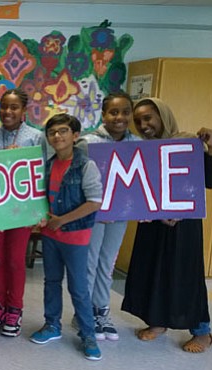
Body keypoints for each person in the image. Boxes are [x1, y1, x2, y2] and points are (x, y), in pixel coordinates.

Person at [122, 98, 212, 353]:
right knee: (153, 270)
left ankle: (202, 330)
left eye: (148, 118)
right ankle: (158, 321)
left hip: (184, 223)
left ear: (163, 116)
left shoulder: (188, 143)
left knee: (186, 274)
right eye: (138, 121)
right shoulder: (142, 150)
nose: (143, 124)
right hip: (153, 221)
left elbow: (210, 179)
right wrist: (156, 212)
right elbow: (136, 188)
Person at [29, 113, 103, 361]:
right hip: (51, 236)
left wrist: (62, 220)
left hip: (75, 237)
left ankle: (88, 333)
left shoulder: (85, 166)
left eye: (62, 131)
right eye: (52, 132)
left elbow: (94, 202)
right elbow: (44, 199)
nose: (57, 136)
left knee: (79, 287)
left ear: (75, 135)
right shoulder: (48, 164)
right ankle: (52, 325)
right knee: (51, 281)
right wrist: (42, 218)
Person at [74, 91, 140, 341]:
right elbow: (75, 177)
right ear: (104, 114)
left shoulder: (138, 144)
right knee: (89, 264)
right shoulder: (88, 142)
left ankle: (101, 309)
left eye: (125, 112)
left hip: (120, 215)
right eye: (113, 112)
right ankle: (84, 314)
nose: (119, 117)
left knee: (107, 262)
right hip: (93, 214)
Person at [0, 88, 43, 337]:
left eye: (14, 107)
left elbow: (41, 173)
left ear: (23, 111)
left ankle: (15, 308)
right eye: (4, 106)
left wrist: (41, 211)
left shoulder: (36, 137)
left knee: (15, 260)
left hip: (22, 211)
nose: (7, 112)